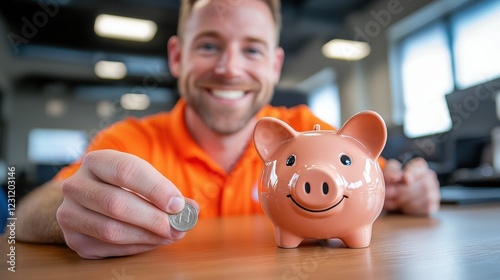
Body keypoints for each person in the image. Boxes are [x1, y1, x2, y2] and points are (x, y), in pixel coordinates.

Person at [16, 0, 440, 259]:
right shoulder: (132, 142)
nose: (229, 68)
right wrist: (69, 214)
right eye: (208, 45)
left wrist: (415, 188)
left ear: (274, 67)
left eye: (251, 49)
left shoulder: (309, 131)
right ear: (177, 57)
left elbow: (380, 183)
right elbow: (25, 213)